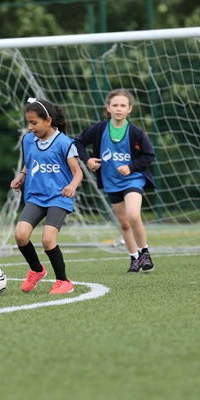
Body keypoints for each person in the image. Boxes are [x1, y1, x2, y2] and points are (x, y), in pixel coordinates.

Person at [74, 89, 156, 273]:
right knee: (124, 223)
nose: (119, 109)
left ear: (129, 109)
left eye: (123, 105)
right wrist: (87, 160)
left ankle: (144, 252)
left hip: (133, 179)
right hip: (111, 181)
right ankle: (134, 258)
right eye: (115, 105)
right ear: (108, 108)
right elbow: (78, 142)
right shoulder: (99, 129)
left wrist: (131, 167)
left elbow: (149, 155)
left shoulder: (136, 132)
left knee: (133, 215)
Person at [10, 97, 84, 294]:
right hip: (36, 196)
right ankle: (36, 270)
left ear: (48, 121)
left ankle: (63, 281)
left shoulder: (64, 143)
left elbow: (78, 172)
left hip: (59, 197)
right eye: (28, 122)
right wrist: (22, 175)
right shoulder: (28, 140)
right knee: (20, 235)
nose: (30, 127)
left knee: (48, 239)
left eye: (34, 123)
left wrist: (72, 186)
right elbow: (31, 162)